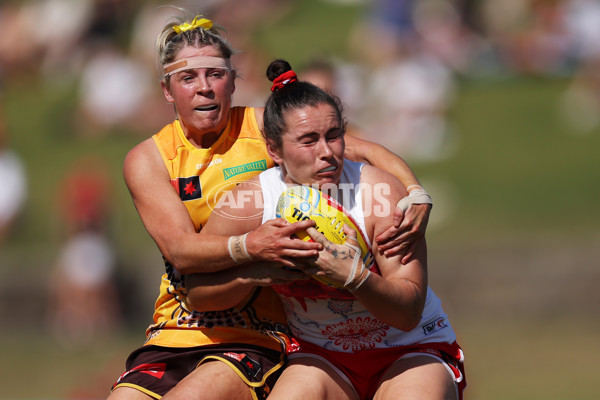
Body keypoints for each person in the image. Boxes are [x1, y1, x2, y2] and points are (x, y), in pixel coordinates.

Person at [109, 12, 432, 400]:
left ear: (233, 80)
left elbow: (362, 149)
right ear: (167, 90)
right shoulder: (149, 159)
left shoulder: (266, 129)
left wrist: (414, 191)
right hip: (181, 320)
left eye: (215, 74)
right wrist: (252, 249)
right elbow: (181, 251)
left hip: (261, 327)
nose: (205, 89)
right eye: (188, 78)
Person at [185, 59, 465, 400]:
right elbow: (197, 294)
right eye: (308, 141)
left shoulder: (377, 193)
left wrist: (355, 277)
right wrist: (256, 271)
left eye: (334, 136)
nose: (327, 153)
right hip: (320, 357)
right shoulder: (252, 202)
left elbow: (407, 313)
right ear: (274, 150)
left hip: (411, 351)